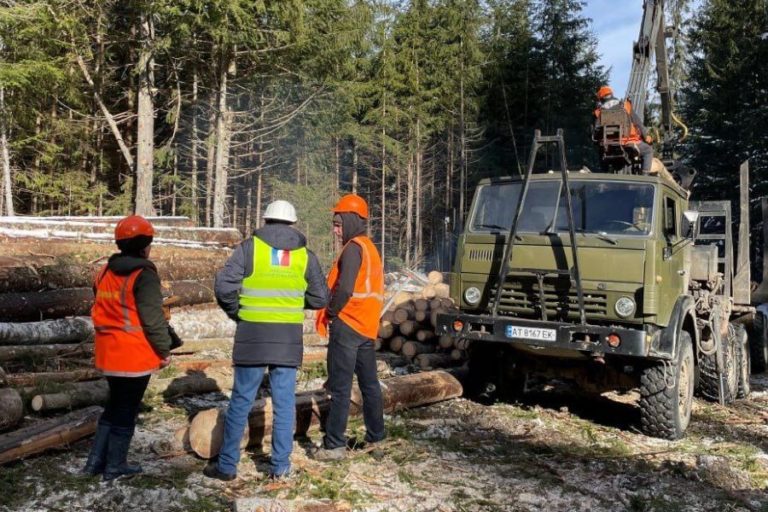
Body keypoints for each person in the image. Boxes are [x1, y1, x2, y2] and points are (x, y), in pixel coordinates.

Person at [203, 200, 327, 481]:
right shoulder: (306, 256)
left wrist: (240, 313)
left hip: (252, 335)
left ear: (266, 220)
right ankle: (280, 467)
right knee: (284, 404)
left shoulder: (249, 248)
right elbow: (321, 298)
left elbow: (224, 288)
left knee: (241, 401)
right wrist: (292, 303)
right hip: (287, 338)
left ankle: (226, 467)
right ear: (293, 223)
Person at [83, 215, 182, 481]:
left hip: (107, 351)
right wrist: (164, 350)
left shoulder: (103, 271)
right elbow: (153, 319)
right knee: (126, 409)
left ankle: (94, 463)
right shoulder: (144, 275)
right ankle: (115, 465)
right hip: (133, 354)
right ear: (144, 244)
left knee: (113, 406)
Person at [313, 194, 385, 460]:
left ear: (352, 220)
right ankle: (376, 440)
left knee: (340, 387)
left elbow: (344, 289)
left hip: (348, 324)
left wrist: (331, 313)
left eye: (338, 223)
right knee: (370, 385)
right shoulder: (370, 249)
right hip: (366, 326)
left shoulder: (354, 248)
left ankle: (334, 445)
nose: (334, 229)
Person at [593, 85, 654, 174]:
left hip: (608, 146)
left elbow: (595, 133)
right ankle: (645, 176)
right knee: (648, 150)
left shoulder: (598, 112)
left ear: (601, 99)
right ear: (612, 94)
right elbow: (638, 123)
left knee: (601, 152)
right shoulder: (625, 106)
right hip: (628, 142)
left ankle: (604, 173)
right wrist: (646, 137)